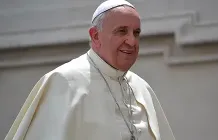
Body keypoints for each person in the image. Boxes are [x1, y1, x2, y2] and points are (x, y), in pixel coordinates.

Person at [4, 0, 175, 140]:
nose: (132, 41)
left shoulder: (142, 88)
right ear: (95, 36)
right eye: (122, 31)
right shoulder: (65, 81)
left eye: (136, 33)